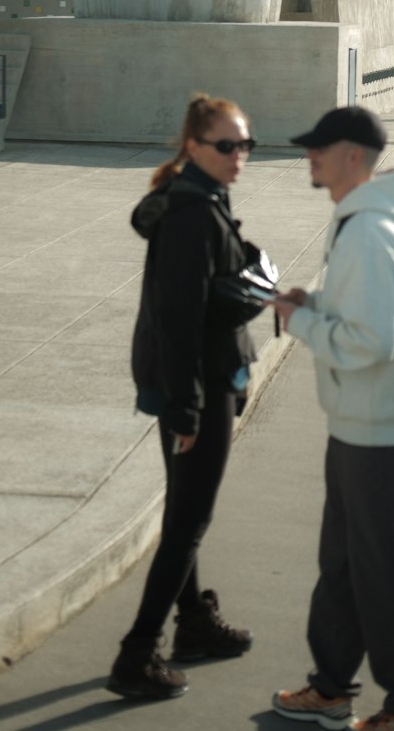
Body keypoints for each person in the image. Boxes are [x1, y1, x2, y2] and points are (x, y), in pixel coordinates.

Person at [272, 106, 394, 731]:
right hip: (357, 422)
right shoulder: (358, 225)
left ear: (355, 157)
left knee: (388, 570)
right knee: (345, 563)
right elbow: (363, 312)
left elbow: (374, 339)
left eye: (320, 146)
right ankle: (331, 688)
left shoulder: (374, 234)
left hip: (376, 428)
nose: (308, 156)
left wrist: (303, 322)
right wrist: (314, 302)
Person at [107, 93, 267, 701]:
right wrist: (187, 406)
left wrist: (246, 269)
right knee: (189, 520)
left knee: (184, 510)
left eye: (245, 144)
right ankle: (137, 654)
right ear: (193, 147)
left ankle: (194, 624)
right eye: (226, 145)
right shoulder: (191, 212)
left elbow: (206, 289)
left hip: (204, 374)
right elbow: (177, 318)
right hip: (196, 381)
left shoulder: (203, 199)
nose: (238, 156)